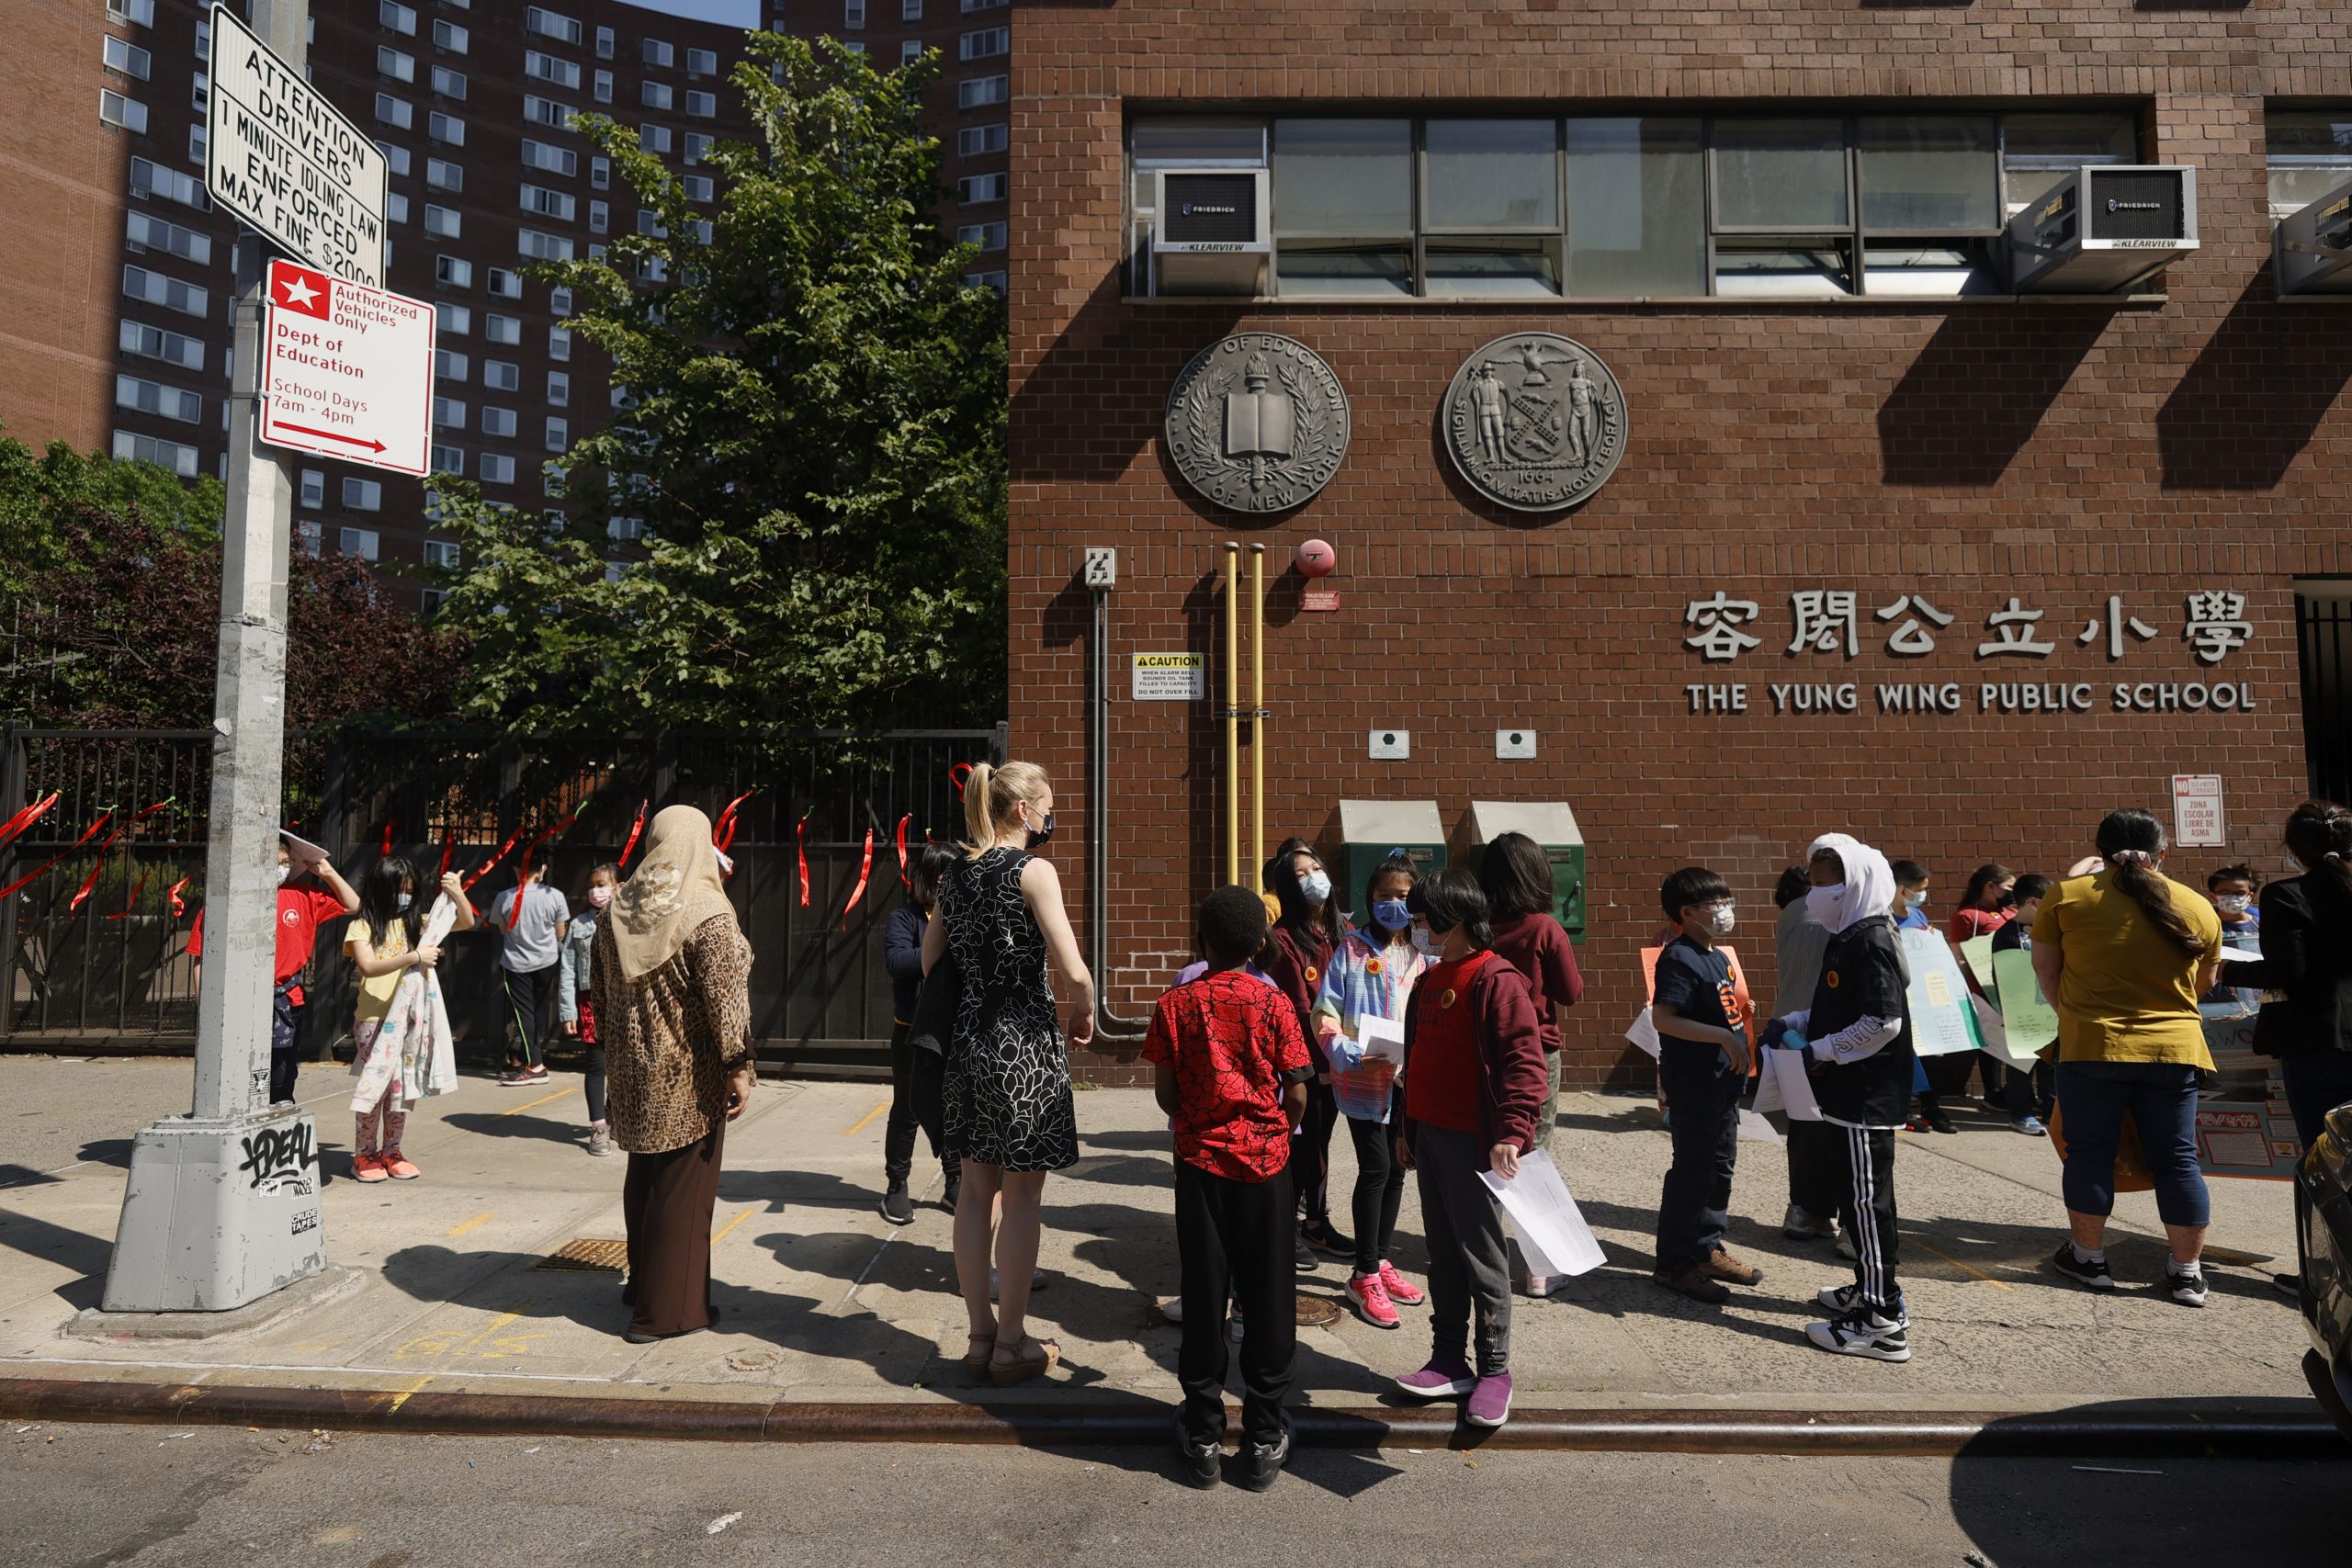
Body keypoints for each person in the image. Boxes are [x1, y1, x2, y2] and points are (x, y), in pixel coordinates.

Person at [924, 760, 1095, 1387]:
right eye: (1048, 805)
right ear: (1022, 809)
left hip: (969, 1043)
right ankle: (1012, 1342)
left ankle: (978, 1337)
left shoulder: (956, 873)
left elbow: (928, 959)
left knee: (974, 1193)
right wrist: (1085, 1006)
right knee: (1022, 1196)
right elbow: (1072, 966)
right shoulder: (1033, 869)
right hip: (1022, 1041)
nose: (1052, 816)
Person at [1148, 886, 1313, 1491]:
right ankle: (1266, 1430)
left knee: (1204, 1287)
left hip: (1199, 1162)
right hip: (1267, 1164)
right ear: (1260, 944)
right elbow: (1297, 1087)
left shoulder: (1176, 1003)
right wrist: (1275, 1128)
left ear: (1203, 943)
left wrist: (1201, 1112)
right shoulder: (1274, 1004)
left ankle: (1203, 1429)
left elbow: (1166, 1093)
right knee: (1269, 1293)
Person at [2032, 809, 2223, 1307]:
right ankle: (2186, 1274)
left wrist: (2078, 1017)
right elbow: (2203, 985)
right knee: (2179, 1159)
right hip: (2175, 1049)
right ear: (2164, 853)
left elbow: (2048, 976)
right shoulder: (2198, 905)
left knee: (2089, 1153)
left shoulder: (2067, 897)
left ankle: (2089, 1259)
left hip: (2091, 1046)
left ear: (2100, 849)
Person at [593, 806, 756, 1343]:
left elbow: (599, 992)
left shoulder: (617, 908)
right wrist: (739, 1065)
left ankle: (643, 1284)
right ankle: (666, 1312)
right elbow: (726, 999)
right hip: (689, 1072)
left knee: (645, 1178)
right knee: (683, 1190)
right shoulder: (708, 911)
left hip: (631, 1068)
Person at [1390, 867, 1546, 1430]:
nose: (1416, 929)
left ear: (1452, 920)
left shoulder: (1496, 979)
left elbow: (1524, 1065)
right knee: (1443, 1254)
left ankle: (1495, 1370)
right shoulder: (1432, 978)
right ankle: (1449, 1358)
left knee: (1483, 1257)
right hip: (1430, 1137)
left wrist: (1511, 1130)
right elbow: (1417, 1058)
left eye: (1424, 919)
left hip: (1474, 1143)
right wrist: (1408, 1132)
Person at [1765, 834, 1917, 1361]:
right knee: (1857, 1199)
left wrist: (1820, 1052)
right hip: (1845, 1093)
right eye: (1814, 883)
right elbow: (1840, 1010)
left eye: (1827, 885)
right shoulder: (1846, 935)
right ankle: (1868, 1288)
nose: (1815, 895)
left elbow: (1882, 1021)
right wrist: (1796, 1024)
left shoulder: (1871, 938)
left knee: (1868, 1206)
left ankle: (1881, 1319)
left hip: (1866, 1098)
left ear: (1856, 884)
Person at [2198, 802, 2352, 1297]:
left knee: (2325, 1165)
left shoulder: (2288, 895)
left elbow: (2289, 972)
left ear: (2293, 849)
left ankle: (2326, 1279)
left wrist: (2229, 970)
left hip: (2318, 1045)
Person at [1312, 855, 1430, 1329]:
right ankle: (1362, 1274)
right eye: (1384, 896)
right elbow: (1325, 1010)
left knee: (1398, 1168)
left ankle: (1381, 1261)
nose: (1394, 905)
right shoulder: (1351, 951)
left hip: (1408, 1079)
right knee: (1376, 1167)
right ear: (1369, 899)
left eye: (1403, 897)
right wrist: (1342, 1050)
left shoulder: (1425, 953)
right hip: (1362, 1079)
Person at [1647, 865, 1761, 1305]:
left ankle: (1706, 1247)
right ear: (1687, 912)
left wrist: (1738, 1013)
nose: (1724, 911)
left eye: (1725, 902)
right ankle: (1675, 1265)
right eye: (1714, 905)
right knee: (1692, 1174)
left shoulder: (1716, 955)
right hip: (1695, 1083)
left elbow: (1717, 1011)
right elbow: (1665, 1018)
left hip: (1723, 1084)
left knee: (1719, 1169)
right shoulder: (1679, 956)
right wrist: (1718, 1035)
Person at [188, 837, 359, 1106]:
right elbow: (201, 959)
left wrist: (327, 872)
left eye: (285, 863)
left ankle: (278, 1113)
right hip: (238, 1001)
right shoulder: (225, 902)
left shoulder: (302, 896)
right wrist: (204, 1006)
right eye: (273, 863)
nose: (280, 868)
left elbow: (353, 904)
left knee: (282, 1071)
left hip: (287, 1001)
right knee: (237, 1067)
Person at [344, 856, 477, 1182]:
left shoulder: (418, 924)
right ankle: (364, 1154)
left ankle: (392, 1151)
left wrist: (457, 892)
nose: (404, 897)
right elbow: (368, 966)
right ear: (381, 889)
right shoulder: (362, 925)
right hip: (374, 1018)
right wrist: (415, 957)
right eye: (398, 890)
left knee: (401, 1089)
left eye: (409, 890)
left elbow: (466, 922)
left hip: (410, 1019)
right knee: (376, 1088)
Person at [1259, 839, 1350, 1265]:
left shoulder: (1341, 932)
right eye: (1300, 874)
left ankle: (1316, 1222)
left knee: (1321, 1141)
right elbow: (1297, 1008)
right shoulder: (1282, 940)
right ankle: (1283, 1229)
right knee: (1300, 1143)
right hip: (1306, 1065)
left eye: (1316, 868)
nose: (1314, 878)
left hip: (1343, 1058)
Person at [1476, 832, 1586, 1173]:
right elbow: (1570, 993)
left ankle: (1485, 1223)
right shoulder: (1544, 927)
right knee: (1532, 1150)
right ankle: (1528, 1224)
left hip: (1485, 1048)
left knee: (1491, 1142)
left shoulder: (1478, 928)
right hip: (1536, 1049)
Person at [881, 843, 960, 1224]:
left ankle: (955, 1182)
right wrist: (937, 946)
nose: (948, 882)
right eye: (942, 875)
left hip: (952, 1030)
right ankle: (897, 1186)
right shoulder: (905, 916)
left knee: (953, 1106)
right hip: (911, 1032)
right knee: (908, 1109)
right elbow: (896, 962)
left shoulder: (964, 913)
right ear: (927, 879)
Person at [1772, 864, 1841, 1243]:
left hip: (1790, 1030)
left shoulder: (1791, 913)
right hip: (1827, 1036)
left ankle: (1804, 1210)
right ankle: (1850, 1225)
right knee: (1841, 1129)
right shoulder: (1832, 915)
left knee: (1804, 1127)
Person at [491, 858, 571, 1087]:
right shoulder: (554, 895)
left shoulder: (504, 897)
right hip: (547, 960)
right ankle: (527, 1057)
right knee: (538, 1011)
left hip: (517, 963)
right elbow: (560, 932)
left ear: (517, 869)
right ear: (543, 869)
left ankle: (536, 1065)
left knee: (523, 1013)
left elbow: (503, 929)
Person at [557, 862, 617, 1156]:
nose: (596, 891)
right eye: (592, 886)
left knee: (622, 1065)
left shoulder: (629, 921)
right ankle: (599, 1128)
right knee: (596, 1066)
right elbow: (567, 968)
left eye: (602, 885)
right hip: (590, 1003)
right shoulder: (578, 925)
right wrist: (568, 1010)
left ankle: (616, 1115)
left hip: (622, 1003)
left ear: (617, 887)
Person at [1991, 874, 2054, 1135]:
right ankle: (2021, 1113)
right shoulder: (2006, 935)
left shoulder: (2049, 932)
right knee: (2021, 1065)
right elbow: (2003, 976)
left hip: (2048, 1009)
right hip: (2020, 1012)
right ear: (2032, 902)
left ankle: (2052, 1111)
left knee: (2050, 1064)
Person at [1890, 862, 1931, 932]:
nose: (1923, 893)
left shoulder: (1918, 915)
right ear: (1902, 890)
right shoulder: (1884, 919)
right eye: (1920, 890)